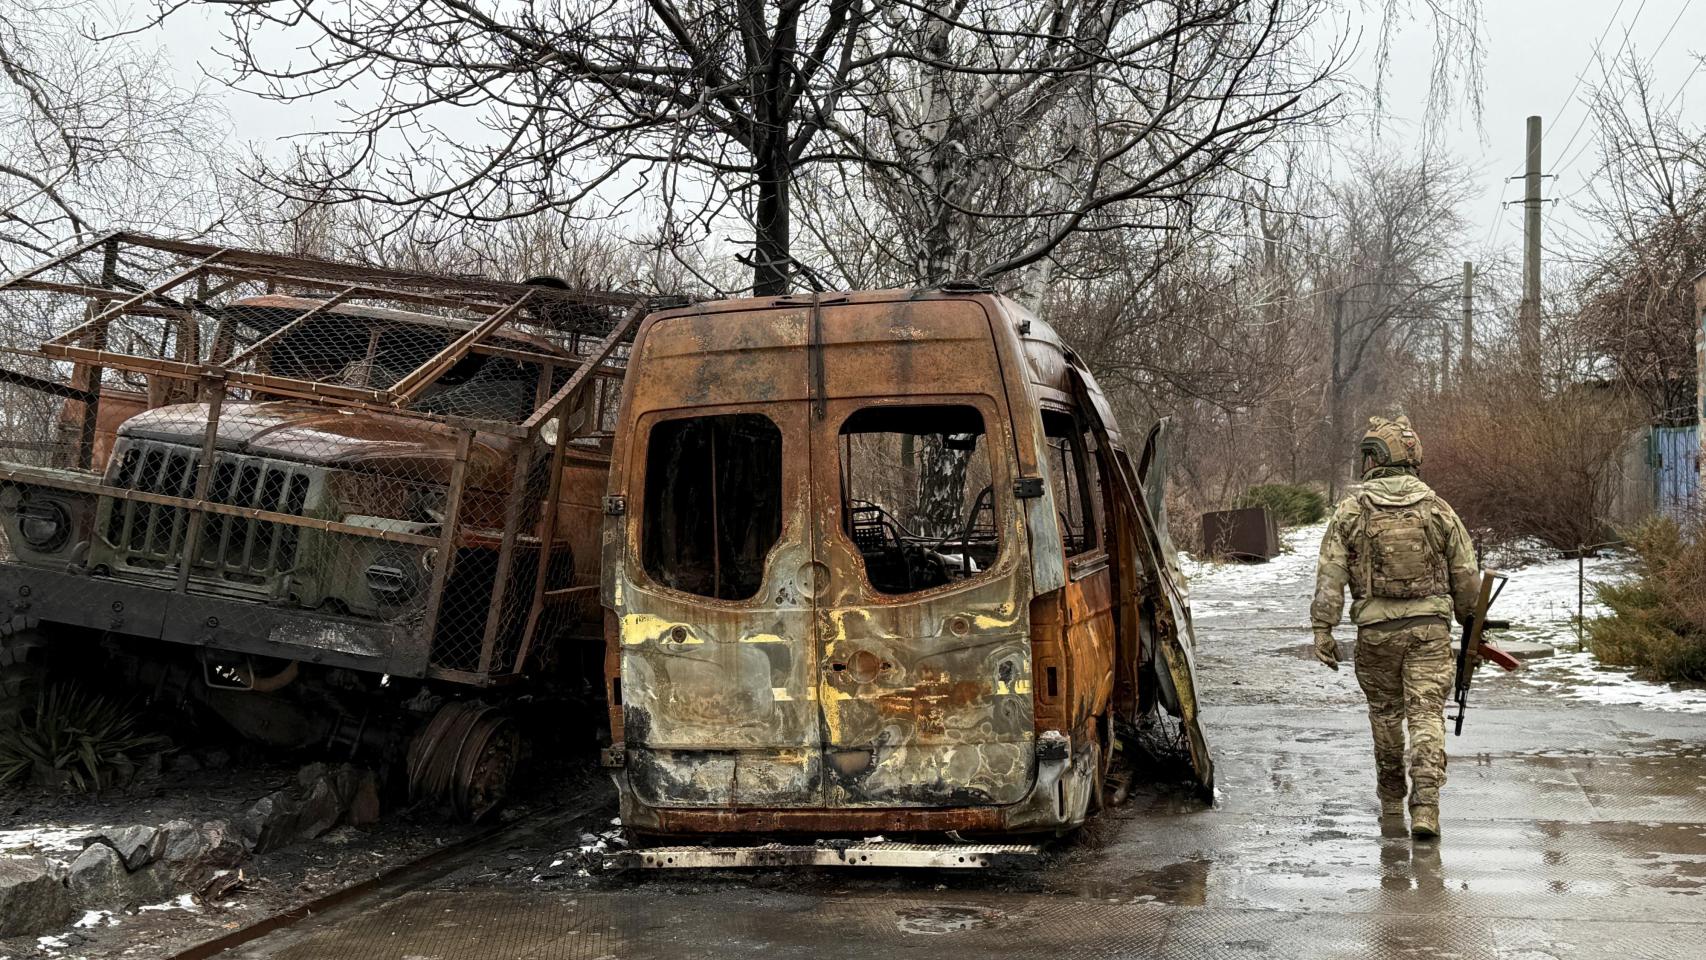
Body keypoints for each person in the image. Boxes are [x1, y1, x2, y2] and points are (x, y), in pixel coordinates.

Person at [1311, 415, 1479, 840]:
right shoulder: (1437, 507)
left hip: (1376, 633)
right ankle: (1426, 805)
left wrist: (1323, 628)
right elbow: (1466, 574)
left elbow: (1330, 572)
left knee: (1385, 716)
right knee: (1426, 714)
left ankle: (1390, 797)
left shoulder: (1352, 510)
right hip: (1429, 632)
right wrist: (1471, 620)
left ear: (1372, 458)